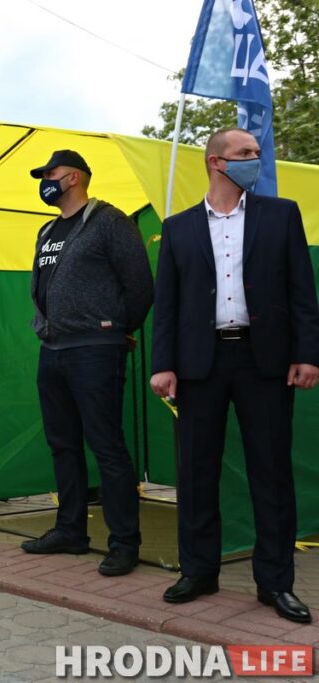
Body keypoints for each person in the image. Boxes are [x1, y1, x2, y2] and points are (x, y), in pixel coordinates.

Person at [150, 128, 319, 623]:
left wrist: (307, 353)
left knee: (271, 472)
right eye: (245, 153)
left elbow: (301, 292)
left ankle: (275, 582)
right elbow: (168, 306)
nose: (255, 159)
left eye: (256, 152)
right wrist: (164, 364)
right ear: (216, 163)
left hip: (262, 361)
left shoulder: (281, 215)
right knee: (196, 472)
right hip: (199, 364)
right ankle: (199, 571)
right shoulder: (177, 227)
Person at [22, 149, 154, 578]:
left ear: (74, 177)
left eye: (51, 174)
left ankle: (124, 543)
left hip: (95, 349)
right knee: (62, 444)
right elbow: (42, 285)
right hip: (54, 350)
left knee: (107, 446)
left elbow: (140, 284)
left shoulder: (110, 222)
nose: (45, 181)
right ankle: (70, 531)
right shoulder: (46, 230)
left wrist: (115, 327)